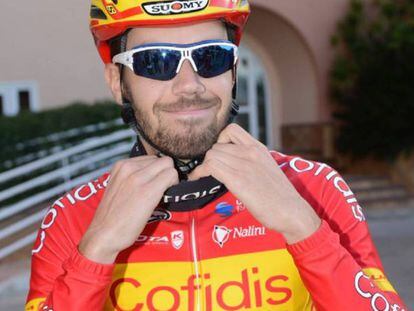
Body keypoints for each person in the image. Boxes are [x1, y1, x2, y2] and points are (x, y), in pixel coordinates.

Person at [25, 1, 408, 310]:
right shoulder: (74, 218)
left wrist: (302, 227)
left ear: (233, 71)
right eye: (155, 62)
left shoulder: (315, 188)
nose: (189, 86)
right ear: (117, 83)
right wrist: (96, 252)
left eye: (211, 58)